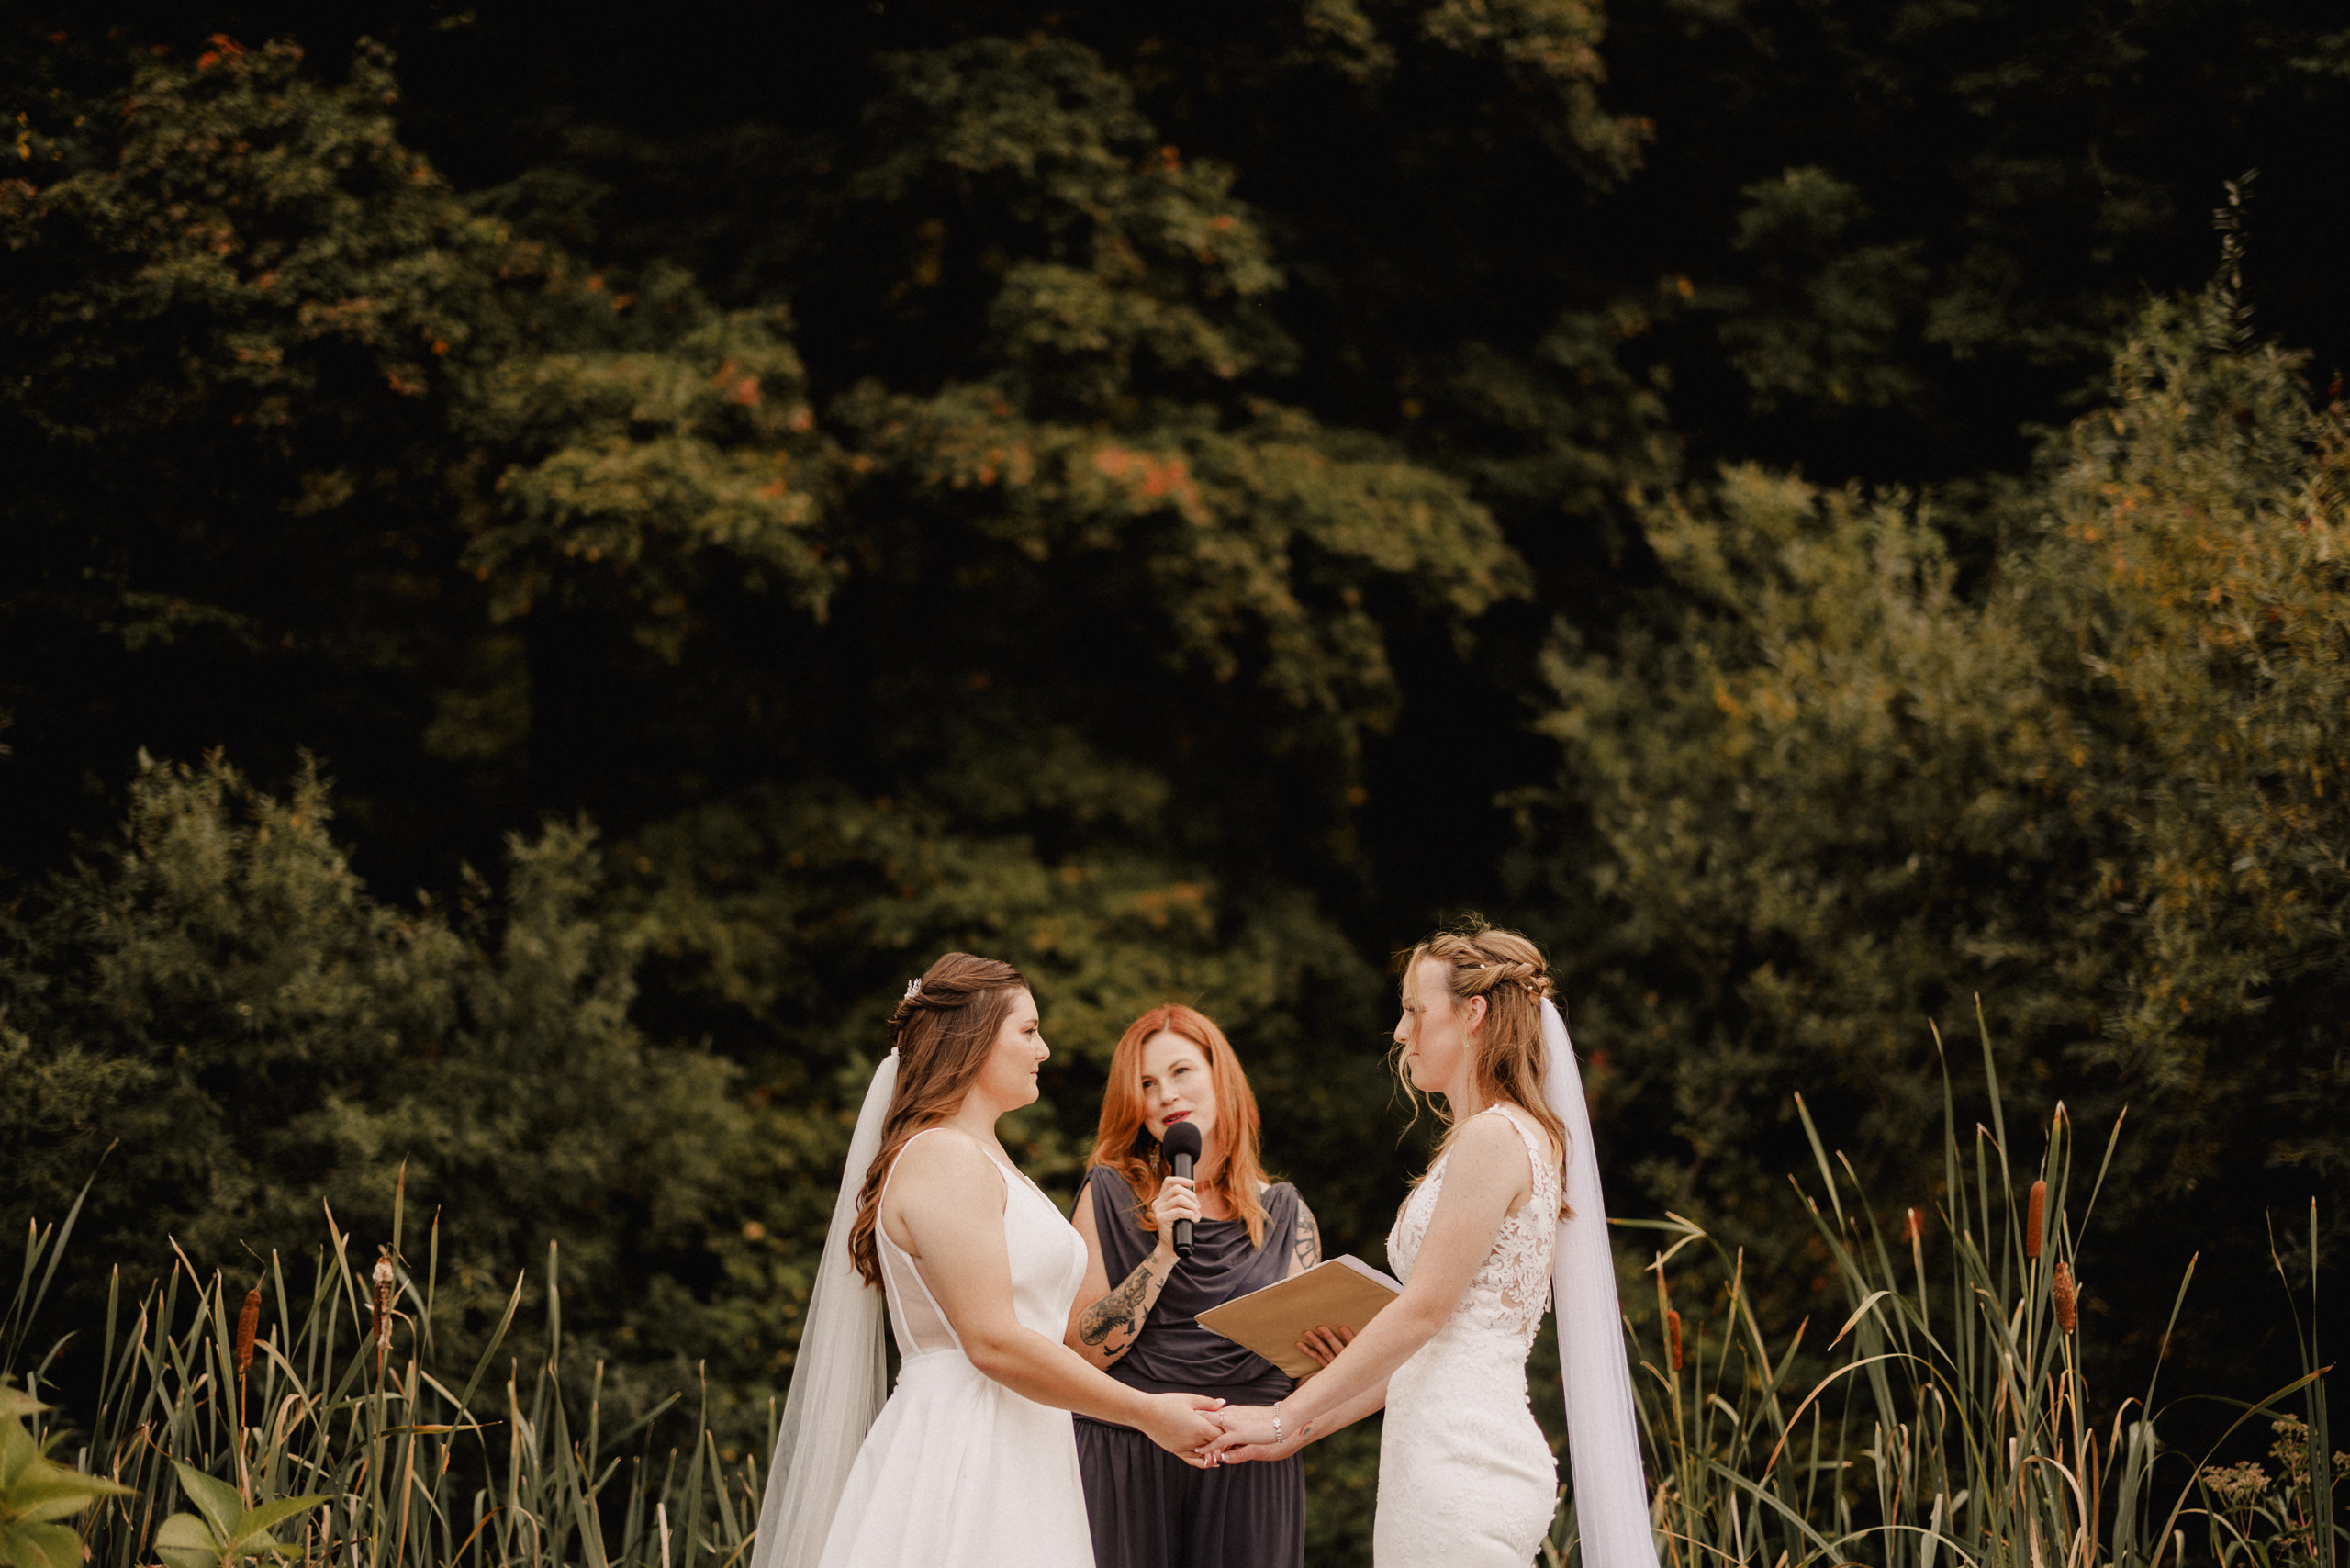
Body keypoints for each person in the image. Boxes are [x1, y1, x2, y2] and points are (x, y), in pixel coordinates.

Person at [1204, 924, 1661, 1568]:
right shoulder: (1491, 1138)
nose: (1399, 1032)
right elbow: (1427, 1350)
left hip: (1460, 1464)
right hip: (1443, 1454)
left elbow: (1423, 1311)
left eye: (1415, 1011)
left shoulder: (1492, 1139)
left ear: (1472, 1013)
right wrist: (1302, 1431)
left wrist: (1281, 1416)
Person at [751, 954, 1226, 1568]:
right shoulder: (942, 1157)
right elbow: (993, 1342)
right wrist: (1146, 1413)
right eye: (1028, 1031)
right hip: (966, 1449)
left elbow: (1045, 1333)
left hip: (1026, 1441)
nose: (1045, 1050)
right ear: (972, 1041)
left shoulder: (991, 1161)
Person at [1064, 1004, 1327, 1568]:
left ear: (1219, 1076)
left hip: (1249, 1463)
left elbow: (1307, 1368)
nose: (1165, 1095)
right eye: (1146, 1084)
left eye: (1181, 1071)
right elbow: (1079, 1353)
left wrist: (1329, 1353)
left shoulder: (1286, 1212)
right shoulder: (1107, 1193)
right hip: (1127, 1453)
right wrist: (1161, 1253)